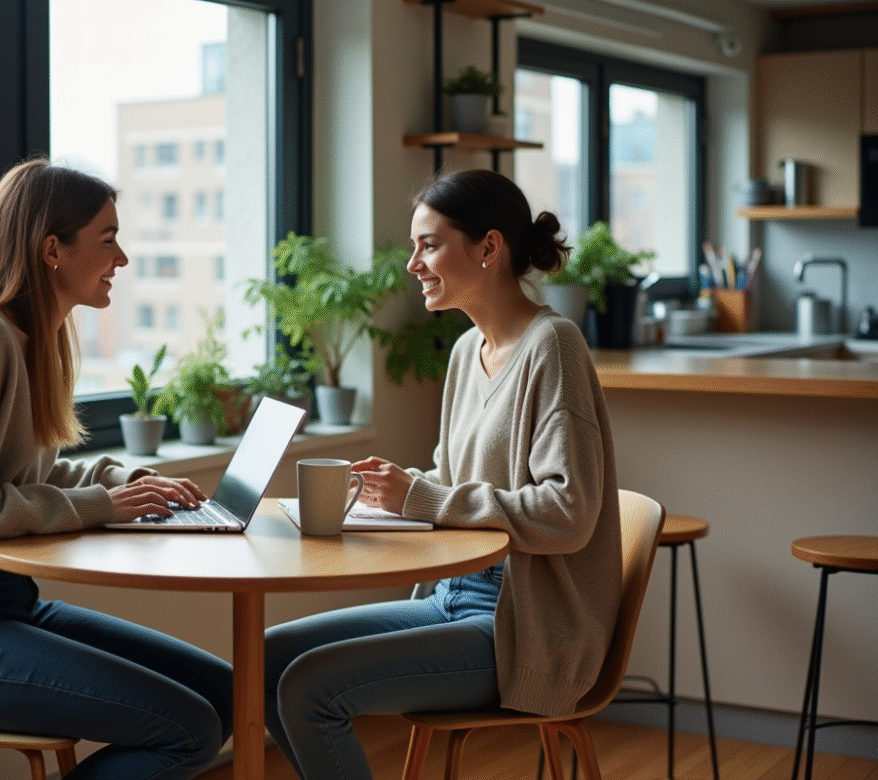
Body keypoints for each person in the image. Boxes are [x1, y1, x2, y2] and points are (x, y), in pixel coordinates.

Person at [0, 158, 233, 780]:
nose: (123, 259)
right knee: (189, 729)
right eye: (108, 239)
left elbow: (17, 481)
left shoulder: (35, 339)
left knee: (226, 694)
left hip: (2, 608)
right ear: (52, 249)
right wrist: (97, 507)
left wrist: (118, 483)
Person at [263, 168, 623, 780]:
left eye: (428, 245)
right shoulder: (466, 350)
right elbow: (451, 480)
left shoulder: (553, 348)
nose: (413, 265)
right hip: (452, 597)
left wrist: (426, 496)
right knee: (270, 658)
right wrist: (394, 490)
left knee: (308, 689)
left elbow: (568, 514)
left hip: (522, 626)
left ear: (488, 248)